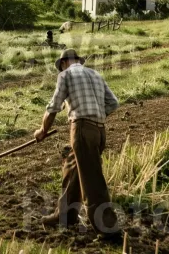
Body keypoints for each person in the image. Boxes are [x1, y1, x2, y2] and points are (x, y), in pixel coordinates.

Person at [34, 49, 120, 240]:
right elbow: (113, 103)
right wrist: (96, 115)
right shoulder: (95, 74)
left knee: (92, 181)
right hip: (99, 131)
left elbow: (54, 106)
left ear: (64, 62)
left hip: (81, 130)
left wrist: (42, 130)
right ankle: (64, 216)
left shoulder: (65, 75)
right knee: (72, 168)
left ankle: (108, 229)